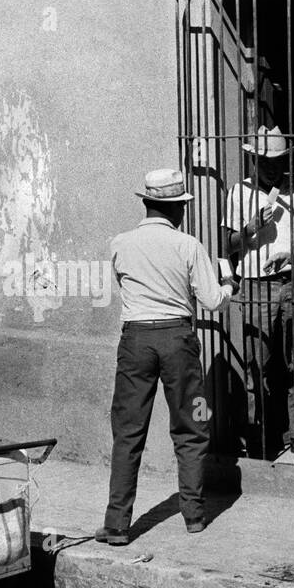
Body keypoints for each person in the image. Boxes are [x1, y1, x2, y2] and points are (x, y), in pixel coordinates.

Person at [97, 168, 232, 546]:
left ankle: (117, 524)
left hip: (135, 340)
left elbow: (123, 286)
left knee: (127, 432)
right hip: (178, 339)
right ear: (178, 208)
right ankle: (193, 515)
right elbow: (210, 300)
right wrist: (228, 286)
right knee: (193, 425)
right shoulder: (188, 245)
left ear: (146, 202)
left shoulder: (120, 243)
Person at [222, 125, 294, 459]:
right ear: (254, 161)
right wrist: (250, 229)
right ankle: (259, 439)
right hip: (256, 285)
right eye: (266, 161)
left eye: (278, 160)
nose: (273, 167)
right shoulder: (240, 192)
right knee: (257, 365)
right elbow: (227, 245)